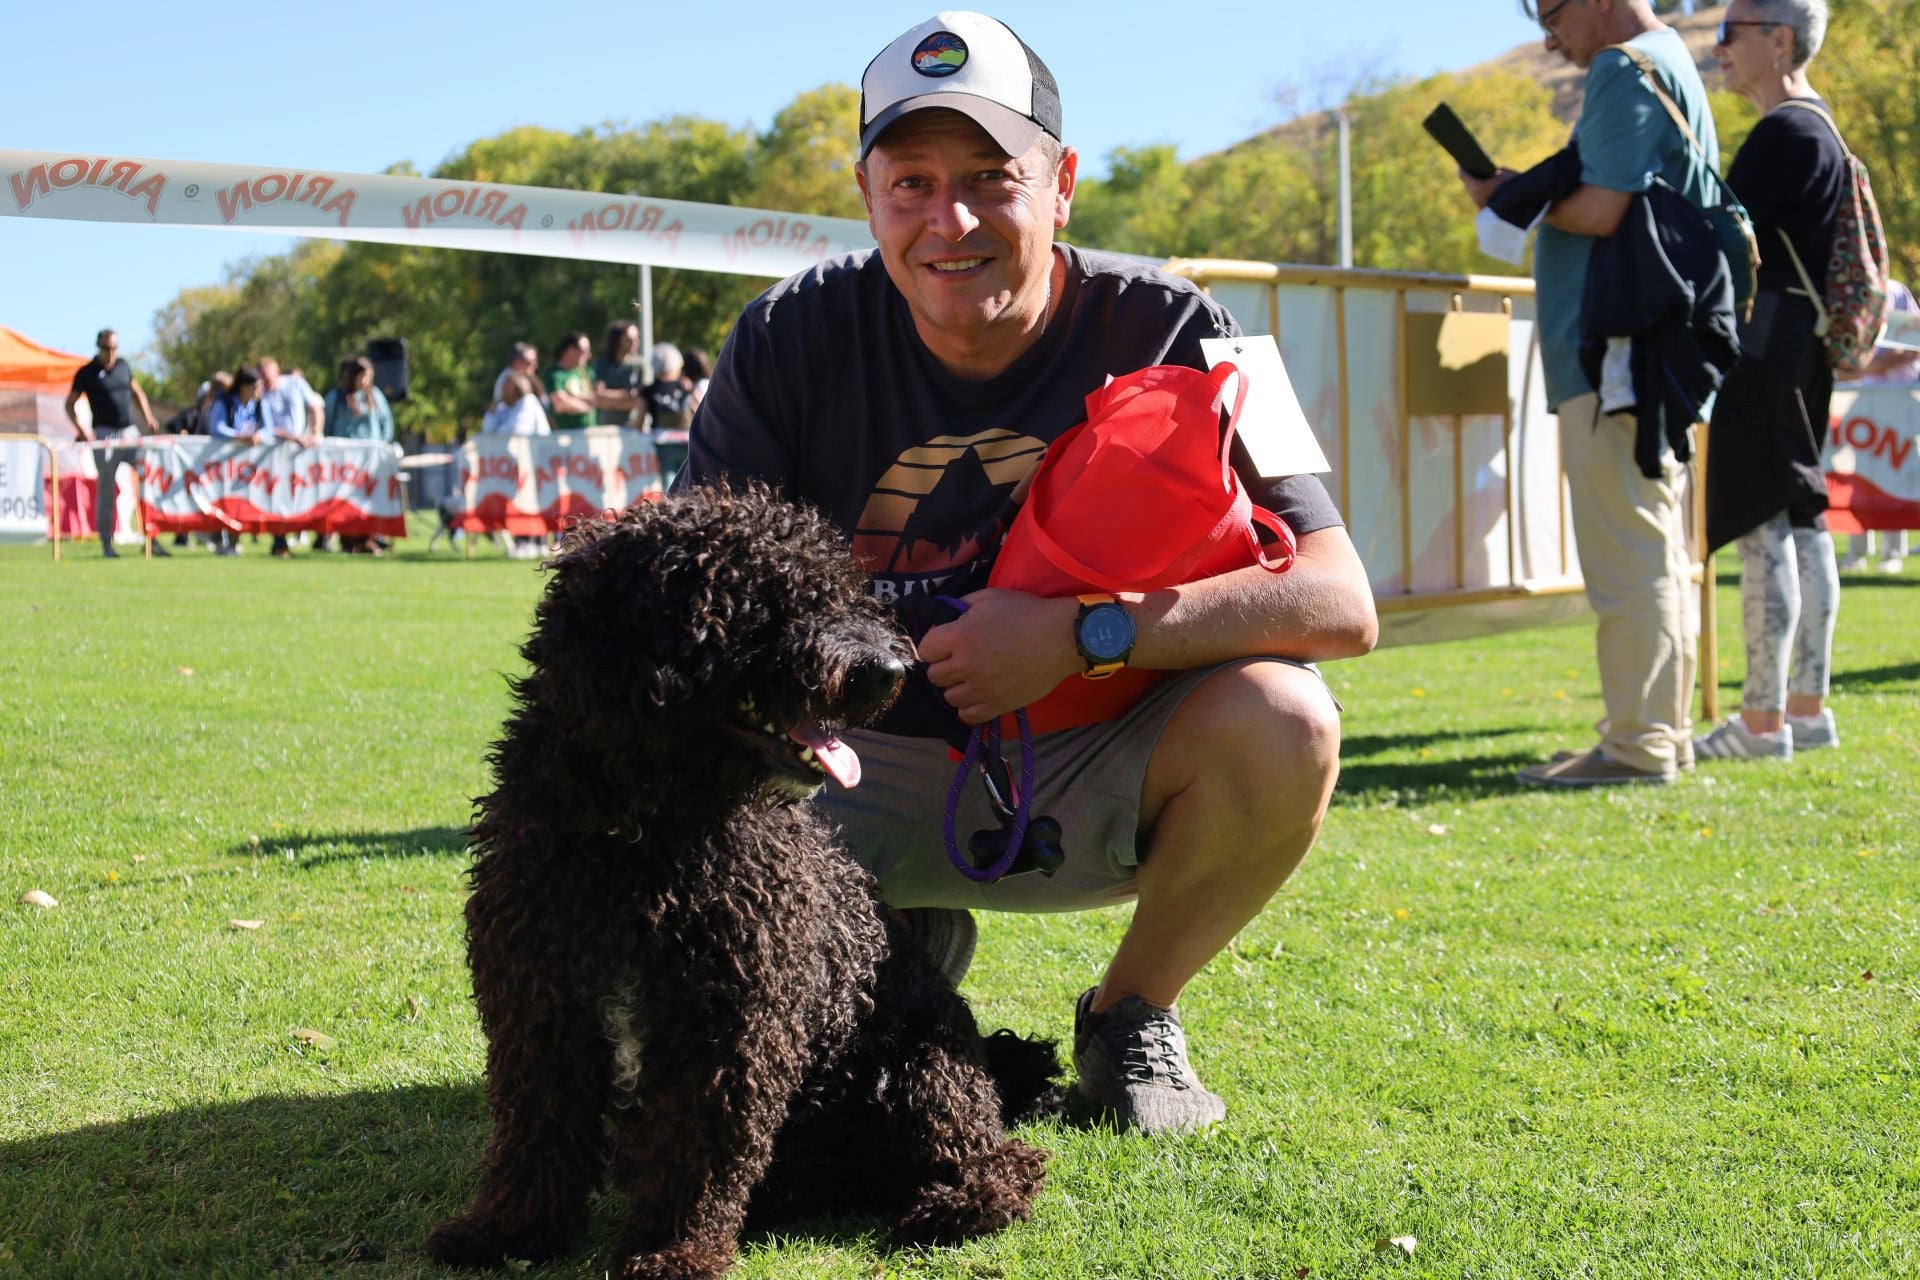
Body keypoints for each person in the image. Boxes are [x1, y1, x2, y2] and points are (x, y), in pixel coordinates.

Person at [678, 11, 1375, 1134]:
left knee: (1288, 718)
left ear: (1063, 185)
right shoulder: (779, 334)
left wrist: (1083, 631)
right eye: (910, 182)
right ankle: (878, 944)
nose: (948, 220)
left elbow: (1342, 598)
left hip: (1087, 752)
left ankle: (1129, 1013)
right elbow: (692, 605)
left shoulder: (1194, 323)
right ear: (866, 195)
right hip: (854, 767)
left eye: (992, 177)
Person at [1460, 0, 1722, 787]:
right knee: (1655, 551)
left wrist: (1505, 200)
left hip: (1617, 357)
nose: (1547, 36)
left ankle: (1639, 747)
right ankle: (1657, 737)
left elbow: (1604, 209)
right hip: (1652, 356)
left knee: (1629, 555)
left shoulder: (1623, 65)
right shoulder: (1670, 59)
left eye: (1553, 11)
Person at [1687, 0, 1845, 760]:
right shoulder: (1823, 131)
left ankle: (1760, 722)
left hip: (1764, 346)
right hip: (1803, 346)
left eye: (1730, 33)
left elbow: (1719, 235)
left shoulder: (1786, 132)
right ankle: (1804, 710)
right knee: (1805, 517)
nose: (1717, 48)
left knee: (1762, 523)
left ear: (1778, 40)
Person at [64, 328, 162, 558]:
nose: (111, 353)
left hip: (129, 432)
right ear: (98, 347)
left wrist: (148, 416)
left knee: (149, 482)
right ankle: (107, 545)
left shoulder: (123, 366)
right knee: (107, 491)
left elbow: (137, 392)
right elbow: (69, 404)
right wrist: (83, 431)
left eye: (114, 348)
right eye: (107, 348)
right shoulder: (87, 373)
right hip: (104, 435)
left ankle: (152, 540)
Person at [1841, 279, 1917, 573]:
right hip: (1863, 399)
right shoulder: (1850, 288)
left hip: (1900, 397)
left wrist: (1871, 367)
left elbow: (1913, 344)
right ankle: (1857, 550)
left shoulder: (1895, 290)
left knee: (1895, 475)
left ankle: (1892, 553)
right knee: (1857, 476)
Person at [324, 356, 397, 555]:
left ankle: (367, 538)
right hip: (344, 459)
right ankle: (348, 540)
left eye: (370, 377)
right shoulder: (337, 397)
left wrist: (382, 445)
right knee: (345, 499)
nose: (366, 381)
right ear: (353, 376)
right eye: (363, 376)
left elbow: (386, 423)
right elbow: (327, 426)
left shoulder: (375, 396)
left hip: (370, 459)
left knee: (368, 497)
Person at [204, 366, 268, 556]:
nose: (259, 392)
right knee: (218, 500)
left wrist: (258, 436)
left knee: (238, 502)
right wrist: (240, 437)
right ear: (244, 387)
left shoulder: (258, 405)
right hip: (218, 462)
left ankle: (233, 544)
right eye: (256, 387)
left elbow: (268, 428)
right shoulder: (224, 402)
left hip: (244, 465)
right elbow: (217, 428)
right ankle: (216, 540)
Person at [593, 321, 646, 426]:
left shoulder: (637, 368)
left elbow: (637, 399)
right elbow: (599, 396)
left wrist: (610, 399)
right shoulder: (602, 364)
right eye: (629, 339)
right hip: (606, 425)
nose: (635, 343)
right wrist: (626, 396)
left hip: (632, 425)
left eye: (636, 339)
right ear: (617, 340)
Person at [544, 332, 597, 432]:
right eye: (584, 351)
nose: (588, 355)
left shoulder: (587, 372)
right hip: (564, 435)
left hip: (590, 434)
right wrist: (588, 406)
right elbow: (560, 403)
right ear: (570, 350)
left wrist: (571, 398)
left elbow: (596, 396)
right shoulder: (554, 373)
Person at [640, 342, 697, 432]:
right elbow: (700, 412)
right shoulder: (686, 386)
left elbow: (639, 422)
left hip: (659, 441)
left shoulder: (648, 391)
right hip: (685, 441)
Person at [491, 341, 543, 408]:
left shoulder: (523, 377)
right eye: (530, 362)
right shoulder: (508, 380)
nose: (535, 365)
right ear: (517, 361)